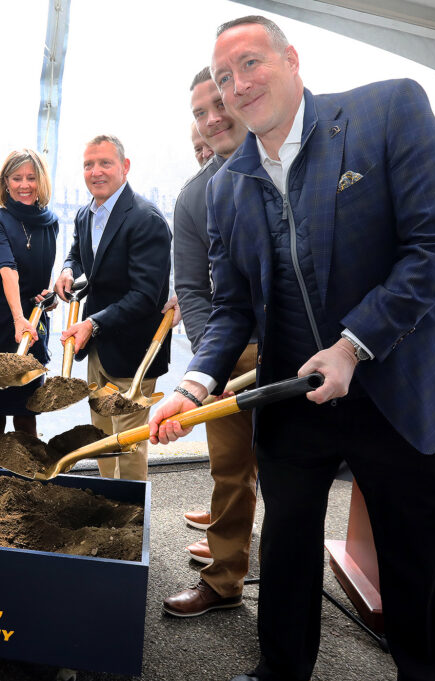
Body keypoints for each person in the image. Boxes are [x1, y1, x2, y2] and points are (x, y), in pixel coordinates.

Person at [149, 15, 435, 681]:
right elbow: (232, 310)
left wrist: (352, 344)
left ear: (291, 58)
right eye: (224, 78)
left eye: (250, 64)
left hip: (405, 377)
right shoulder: (226, 186)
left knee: (419, 559)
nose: (238, 85)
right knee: (286, 547)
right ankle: (280, 670)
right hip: (296, 392)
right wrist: (191, 383)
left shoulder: (388, 109)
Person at [164, 66, 257, 616]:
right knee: (229, 470)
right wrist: (210, 365)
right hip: (229, 354)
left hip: (305, 354)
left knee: (295, 471)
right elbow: (194, 290)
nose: (211, 127)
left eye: (217, 109)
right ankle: (224, 581)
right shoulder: (196, 198)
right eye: (200, 117)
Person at [55, 135, 172, 481]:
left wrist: (92, 324)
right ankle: (110, 502)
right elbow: (78, 253)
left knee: (130, 444)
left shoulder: (146, 219)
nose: (96, 172)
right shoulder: (85, 213)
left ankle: (134, 520)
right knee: (102, 437)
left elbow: (145, 295)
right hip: (98, 349)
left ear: (125, 167)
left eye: (105, 163)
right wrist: (66, 269)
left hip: (134, 352)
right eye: (89, 164)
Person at [0, 149, 58, 451]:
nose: (24, 184)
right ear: (6, 182)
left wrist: (48, 299)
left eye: (31, 178)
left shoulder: (51, 223)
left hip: (30, 329)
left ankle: (28, 486)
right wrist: (18, 317)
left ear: (40, 180)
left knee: (27, 413)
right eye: (16, 178)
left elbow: (40, 278)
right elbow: (8, 270)